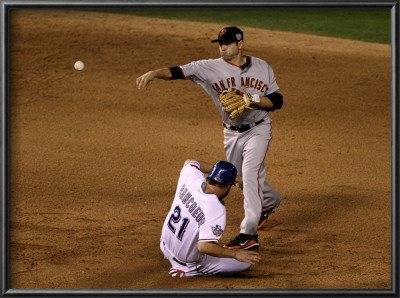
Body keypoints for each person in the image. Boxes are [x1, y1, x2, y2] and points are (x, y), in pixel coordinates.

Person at [137, 26, 283, 250]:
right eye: (220, 43)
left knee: (252, 173)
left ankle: (248, 235)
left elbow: (276, 101)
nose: (222, 47)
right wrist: (155, 73)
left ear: (240, 44)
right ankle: (270, 201)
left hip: (259, 129)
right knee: (238, 178)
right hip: (231, 132)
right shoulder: (208, 68)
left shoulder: (262, 67)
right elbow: (179, 71)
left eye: (227, 43)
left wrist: (249, 98)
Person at [160, 159, 261, 277]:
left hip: (165, 245)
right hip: (185, 263)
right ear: (227, 186)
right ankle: (188, 270)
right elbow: (204, 247)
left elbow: (190, 161)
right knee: (243, 264)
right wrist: (235, 254)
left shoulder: (191, 176)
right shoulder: (216, 208)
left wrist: (218, 171)